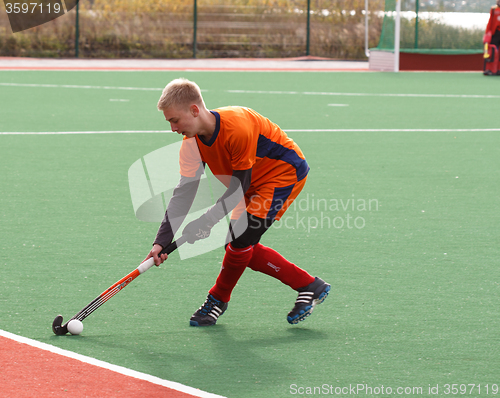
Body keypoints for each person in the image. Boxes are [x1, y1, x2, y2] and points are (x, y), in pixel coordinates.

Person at [143, 78, 330, 327]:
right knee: (238, 245)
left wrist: (206, 221)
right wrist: (162, 241)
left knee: (240, 239)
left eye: (174, 120)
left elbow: (238, 186)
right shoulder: (191, 143)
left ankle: (217, 299)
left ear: (194, 110)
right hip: (248, 181)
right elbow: (184, 192)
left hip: (281, 174)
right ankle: (309, 286)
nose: (173, 128)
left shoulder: (237, 127)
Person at [483, 0, 500, 75]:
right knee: (492, 51)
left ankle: (498, 69)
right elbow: (490, 22)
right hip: (495, 33)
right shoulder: (494, 10)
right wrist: (487, 33)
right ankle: (491, 69)